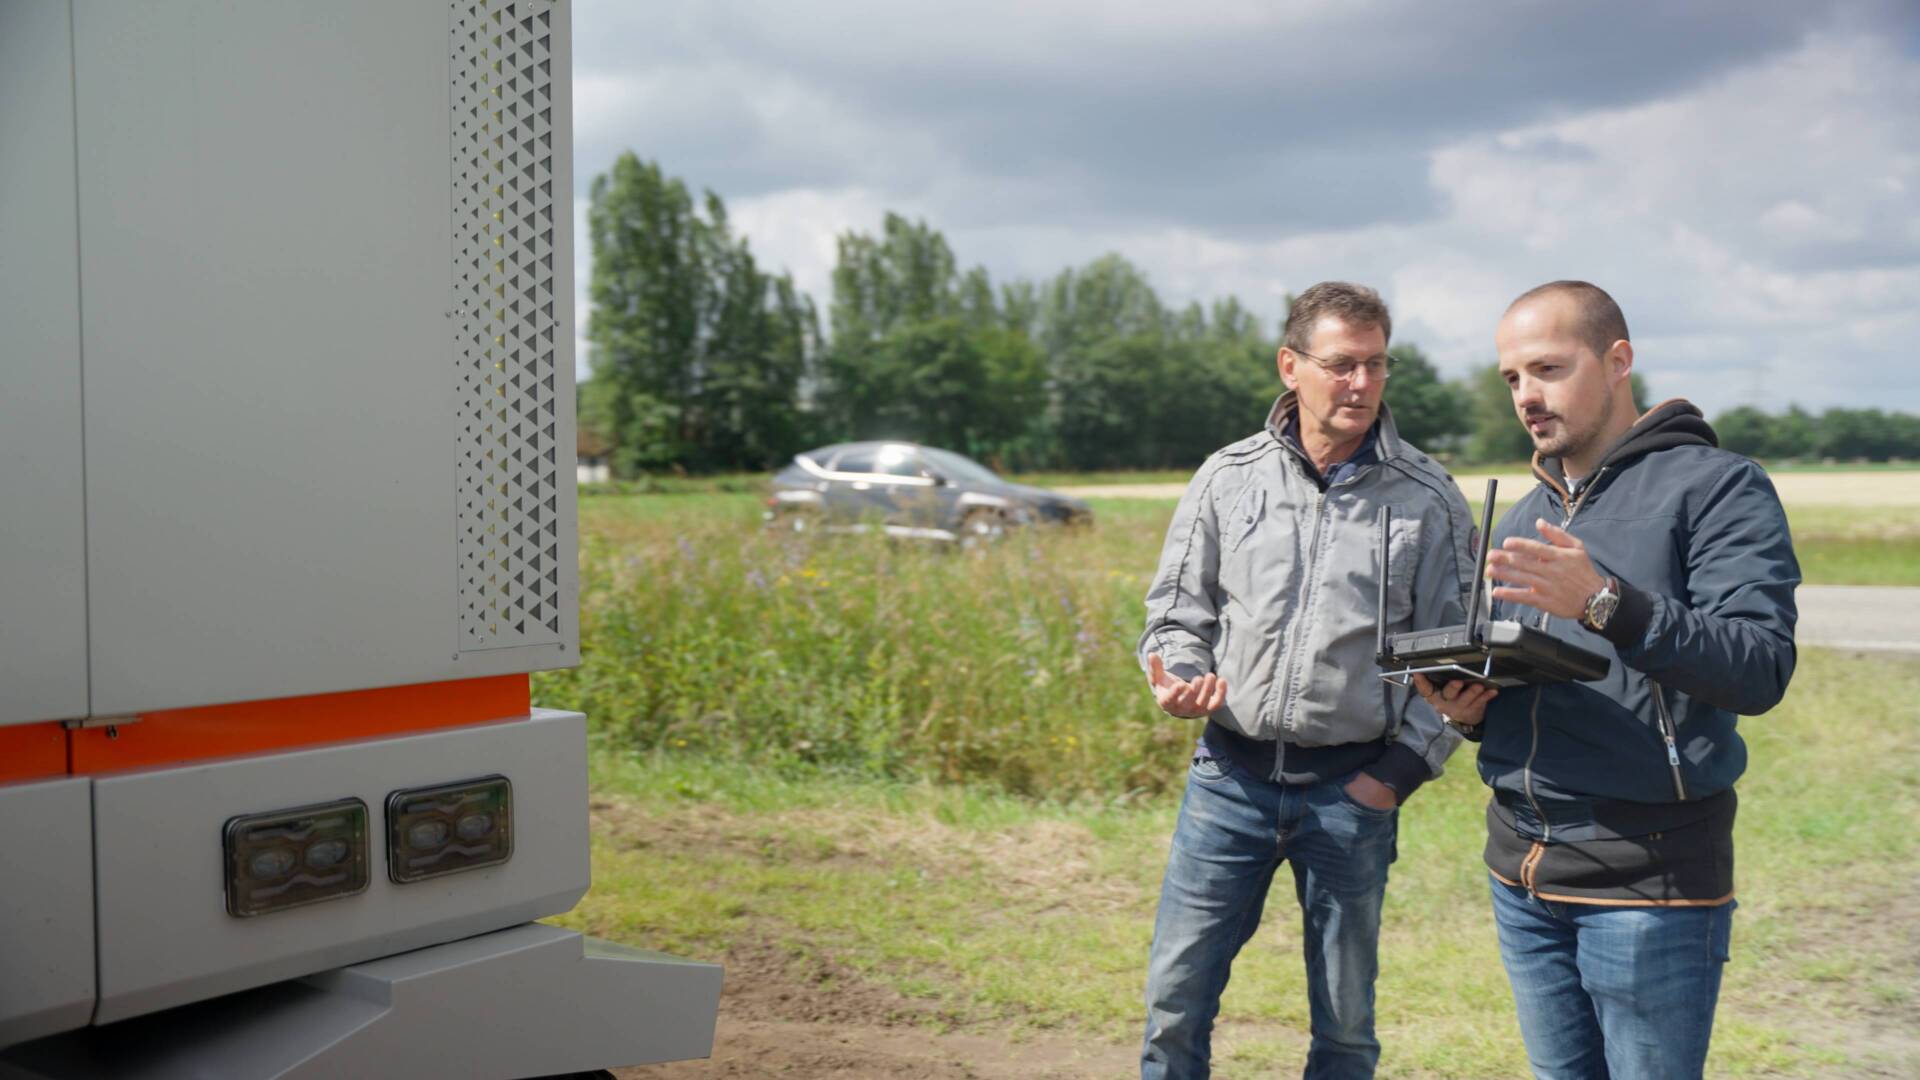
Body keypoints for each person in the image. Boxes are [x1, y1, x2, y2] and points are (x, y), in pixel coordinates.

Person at [1413, 280, 1799, 1079]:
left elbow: (1759, 668)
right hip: (1519, 873)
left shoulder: (1719, 488)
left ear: (1618, 361)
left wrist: (1604, 601)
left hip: (1647, 880)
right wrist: (1471, 708)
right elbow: (1549, 688)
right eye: (1512, 378)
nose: (1527, 396)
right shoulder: (1523, 518)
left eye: (1548, 369)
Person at [1137, 281, 1477, 1079]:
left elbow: (1458, 665)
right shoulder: (1228, 477)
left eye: (1376, 365)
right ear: (1292, 366)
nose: (1361, 384)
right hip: (1229, 782)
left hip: (1351, 794)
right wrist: (1179, 675)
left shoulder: (1430, 501)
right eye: (1341, 364)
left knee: (1346, 1027)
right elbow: (1175, 615)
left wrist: (1395, 777)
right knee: (1174, 1005)